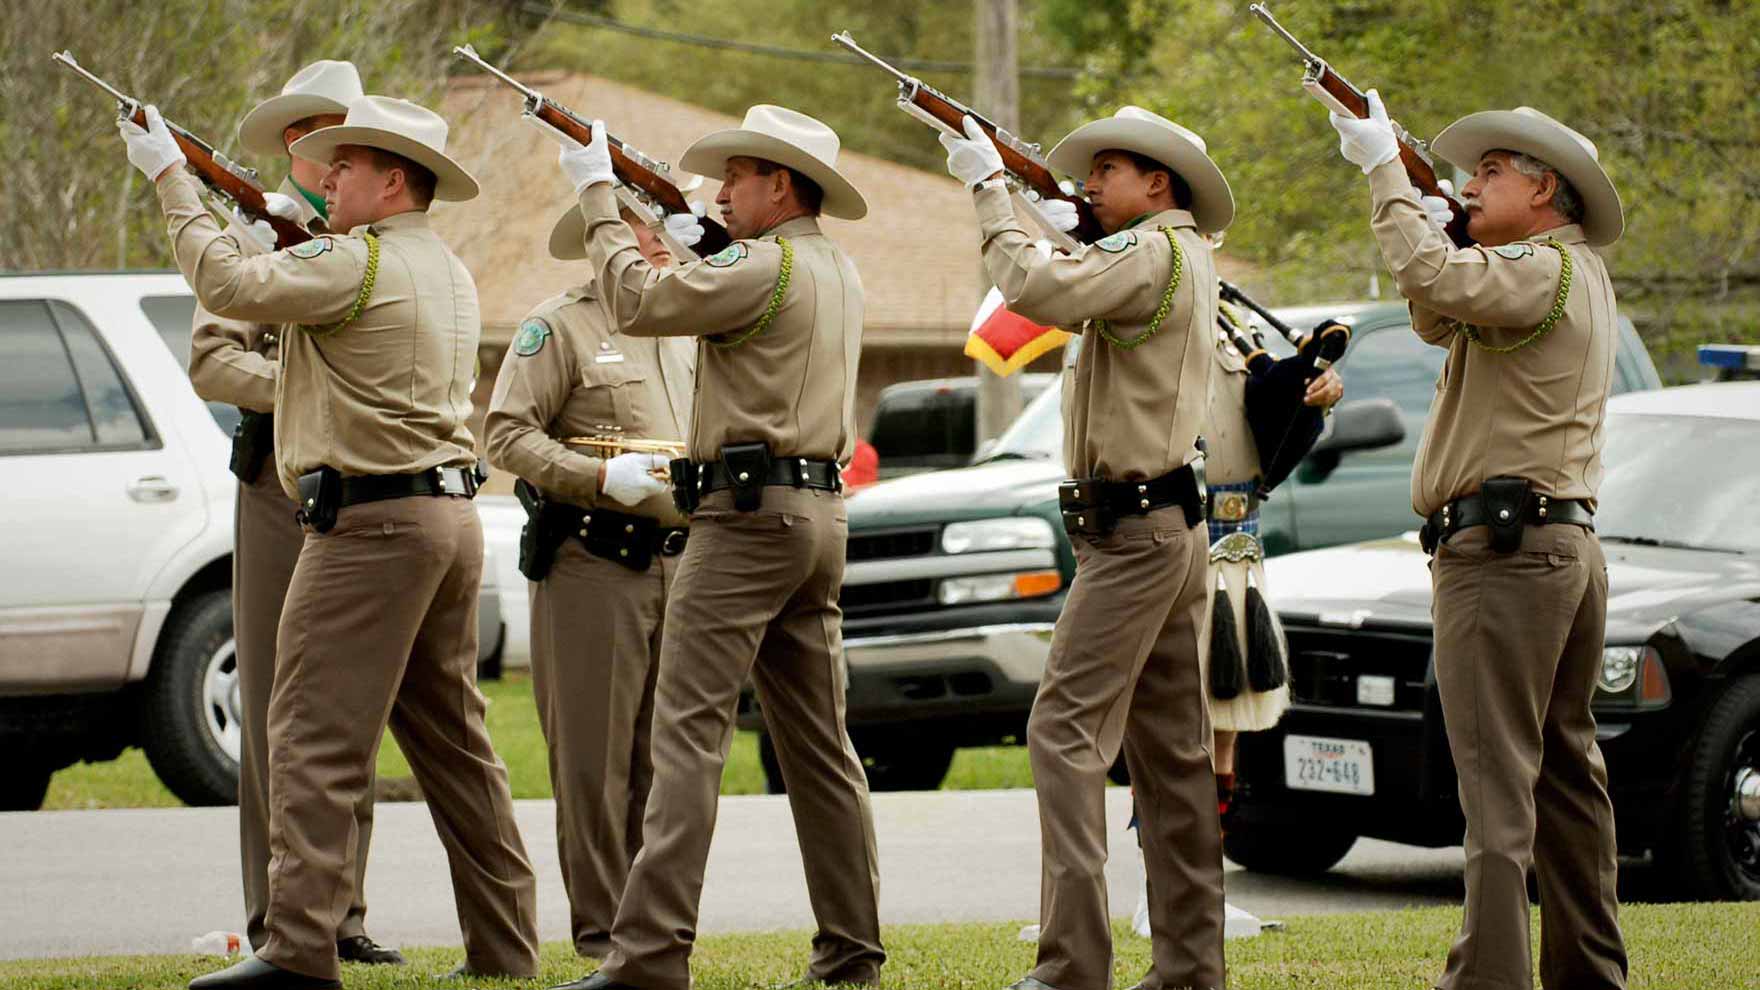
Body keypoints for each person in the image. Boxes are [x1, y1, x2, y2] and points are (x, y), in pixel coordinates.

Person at [119, 94, 540, 990]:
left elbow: (227, 289)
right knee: (455, 743)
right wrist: (266, 228)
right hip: (444, 517)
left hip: (370, 523)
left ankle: (299, 950)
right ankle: (506, 946)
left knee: (308, 732)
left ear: (392, 182)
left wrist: (170, 177)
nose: (325, 176)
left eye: (345, 164)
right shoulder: (444, 267)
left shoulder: (358, 261)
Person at [547, 105, 884, 990]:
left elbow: (634, 300)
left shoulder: (764, 263)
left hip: (743, 518)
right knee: (819, 745)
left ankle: (649, 955)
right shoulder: (829, 265)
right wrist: (682, 225)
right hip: (813, 515)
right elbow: (726, 273)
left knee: (685, 734)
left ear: (781, 184)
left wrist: (596, 194)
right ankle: (852, 948)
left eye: (737, 177)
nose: (721, 190)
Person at [1331, 94, 1628, 990]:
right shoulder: (1552, 272)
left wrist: (1387, 172)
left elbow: (1429, 284)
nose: (1470, 182)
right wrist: (1441, 220)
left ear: (1546, 193)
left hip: (1505, 554)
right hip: (1552, 546)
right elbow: (1435, 313)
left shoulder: (1540, 270)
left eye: (1491, 172)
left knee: (1496, 784)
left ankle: (1488, 979)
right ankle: (1588, 975)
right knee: (1566, 780)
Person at [940, 105, 1230, 990]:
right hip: (1165, 523)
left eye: (1109, 169)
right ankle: (1189, 966)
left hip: (1135, 533)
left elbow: (1034, 290)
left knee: (1062, 731)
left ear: (1159, 184)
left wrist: (992, 189)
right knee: (1172, 758)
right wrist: (1069, 225)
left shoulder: (1148, 252)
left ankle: (1072, 964)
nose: (1091, 183)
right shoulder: (1165, 252)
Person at [185, 60, 402, 969]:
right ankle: (280, 920)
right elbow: (211, 360)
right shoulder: (257, 236)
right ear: (292, 147)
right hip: (280, 485)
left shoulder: (379, 239)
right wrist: (310, 391)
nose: (338, 152)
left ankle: (342, 913)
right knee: (281, 701)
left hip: (360, 485)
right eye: (321, 136)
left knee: (347, 707)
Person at [483, 198, 697, 960]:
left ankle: (653, 927)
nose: (659, 239)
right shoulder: (560, 325)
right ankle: (604, 934)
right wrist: (598, 477)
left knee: (665, 760)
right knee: (594, 764)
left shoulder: (685, 322)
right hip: (594, 561)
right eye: (641, 225)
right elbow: (504, 436)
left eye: (662, 224)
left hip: (682, 560)